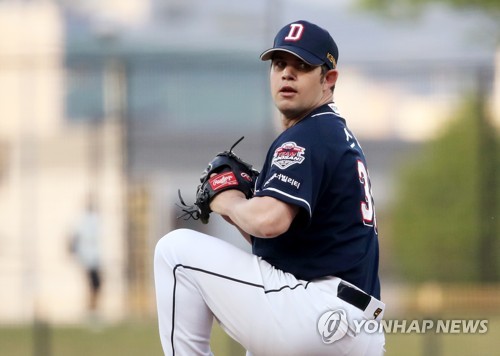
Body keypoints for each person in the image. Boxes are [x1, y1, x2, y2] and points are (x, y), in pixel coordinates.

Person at [154, 20, 385, 355]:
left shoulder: (307, 135)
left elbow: (268, 222)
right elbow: (278, 242)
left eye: (302, 66)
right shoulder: (336, 135)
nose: (287, 74)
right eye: (280, 64)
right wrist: (240, 212)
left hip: (316, 312)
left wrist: (226, 199)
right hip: (356, 325)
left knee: (174, 253)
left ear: (329, 79)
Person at [70, 196, 103, 317]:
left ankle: (93, 309)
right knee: (93, 285)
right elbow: (75, 239)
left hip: (93, 258)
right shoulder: (84, 220)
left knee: (95, 285)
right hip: (88, 258)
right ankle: (91, 310)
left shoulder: (92, 219)